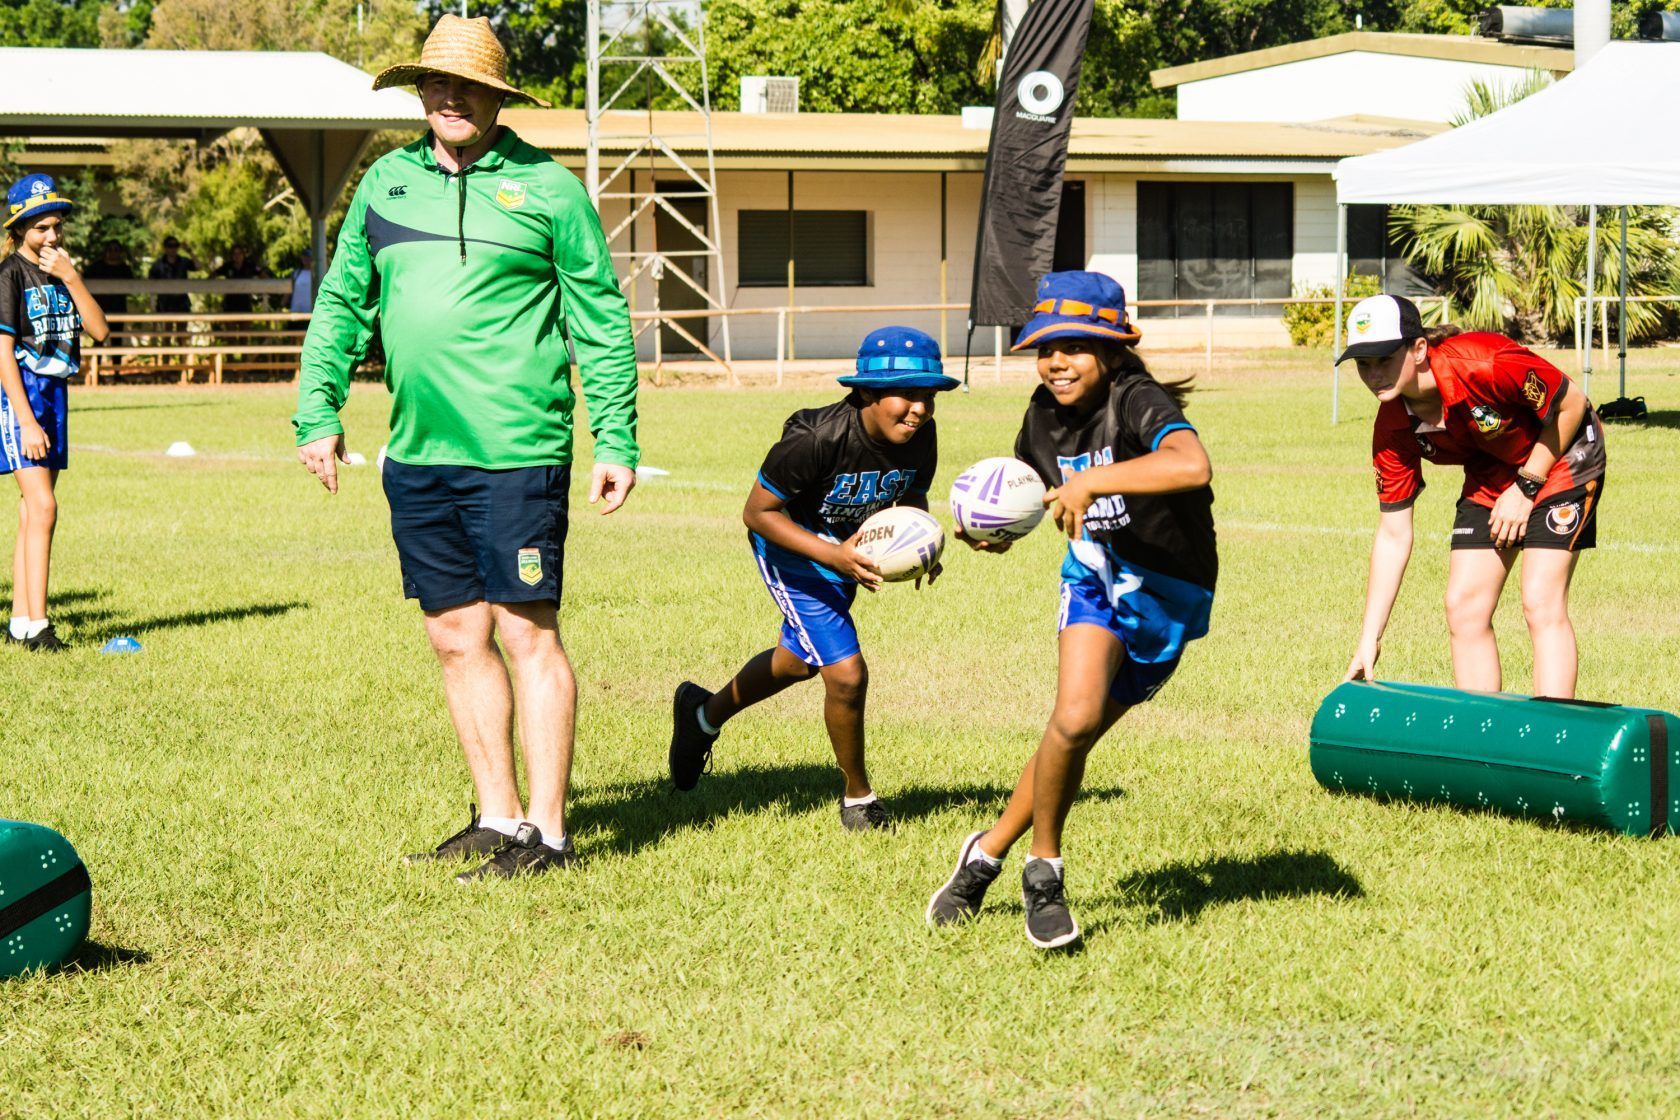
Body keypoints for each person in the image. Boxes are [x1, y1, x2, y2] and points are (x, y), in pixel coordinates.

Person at [293, 15, 638, 881]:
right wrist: (318, 411)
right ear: (420, 92)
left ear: (496, 96)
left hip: (518, 449)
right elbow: (342, 305)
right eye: (436, 84)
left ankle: (549, 836)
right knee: (453, 636)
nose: (450, 97)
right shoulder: (384, 185)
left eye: (468, 86)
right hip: (417, 453)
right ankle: (497, 815)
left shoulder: (550, 190)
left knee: (527, 632)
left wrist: (617, 436)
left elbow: (599, 319)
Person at [924, 271, 1216, 949]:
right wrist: (991, 531)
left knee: (1073, 735)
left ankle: (985, 853)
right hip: (1093, 572)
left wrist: (1095, 479)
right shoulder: (1040, 415)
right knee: (1075, 715)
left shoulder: (1134, 397)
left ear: (1112, 349)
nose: (1057, 362)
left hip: (1170, 592)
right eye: (1045, 348)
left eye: (1077, 346)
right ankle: (1043, 872)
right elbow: (1036, 494)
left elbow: (1191, 464)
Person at [668, 327, 957, 830]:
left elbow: (910, 496)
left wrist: (920, 543)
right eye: (907, 394)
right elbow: (758, 513)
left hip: (847, 550)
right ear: (866, 392)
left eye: (928, 396)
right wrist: (832, 555)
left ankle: (701, 716)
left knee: (798, 662)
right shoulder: (816, 439)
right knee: (845, 674)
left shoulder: (921, 436)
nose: (919, 409)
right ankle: (859, 799)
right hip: (791, 547)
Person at [1338, 294, 1604, 700]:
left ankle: (1555, 740)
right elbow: (1394, 535)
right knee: (1463, 607)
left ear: (1419, 348)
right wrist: (1369, 638)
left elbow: (1571, 405)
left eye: (1384, 359)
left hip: (1564, 452)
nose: (1374, 375)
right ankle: (1485, 740)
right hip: (1494, 469)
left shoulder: (1484, 362)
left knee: (1539, 600)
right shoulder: (1391, 428)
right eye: (1363, 364)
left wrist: (1526, 486)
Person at [0, 174, 110, 651]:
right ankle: (41, 627)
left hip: (56, 394)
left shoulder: (63, 272)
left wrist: (72, 277)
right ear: (20, 226)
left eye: (57, 226)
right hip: (19, 395)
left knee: (32, 512)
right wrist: (24, 419)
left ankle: (21, 622)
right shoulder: (8, 274)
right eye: (41, 227)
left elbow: (100, 331)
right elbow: (2, 352)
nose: (51, 236)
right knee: (44, 506)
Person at [81, 240, 133, 317]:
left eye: (116, 250)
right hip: (98, 308)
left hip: (118, 308)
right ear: (106, 251)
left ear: (120, 252)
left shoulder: (125, 269)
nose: (113, 252)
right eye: (110, 249)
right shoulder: (95, 267)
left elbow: (130, 288)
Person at [147, 235, 195, 315]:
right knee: (166, 326)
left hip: (182, 301)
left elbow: (199, 266)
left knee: (182, 326)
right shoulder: (158, 265)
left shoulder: (183, 261)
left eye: (176, 245)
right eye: (170, 246)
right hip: (164, 303)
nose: (173, 248)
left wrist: (189, 251)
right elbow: (150, 284)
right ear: (165, 248)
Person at [215, 245, 263, 315]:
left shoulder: (249, 265)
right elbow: (214, 274)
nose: (237, 256)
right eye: (234, 253)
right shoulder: (227, 266)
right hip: (230, 303)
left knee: (246, 323)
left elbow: (263, 275)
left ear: (243, 254)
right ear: (231, 255)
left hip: (245, 302)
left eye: (239, 253)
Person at [288, 249, 313, 314]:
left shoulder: (317, 274)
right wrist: (281, 305)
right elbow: (290, 290)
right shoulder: (296, 273)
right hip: (296, 310)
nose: (305, 259)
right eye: (304, 257)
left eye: (308, 257)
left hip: (312, 311)